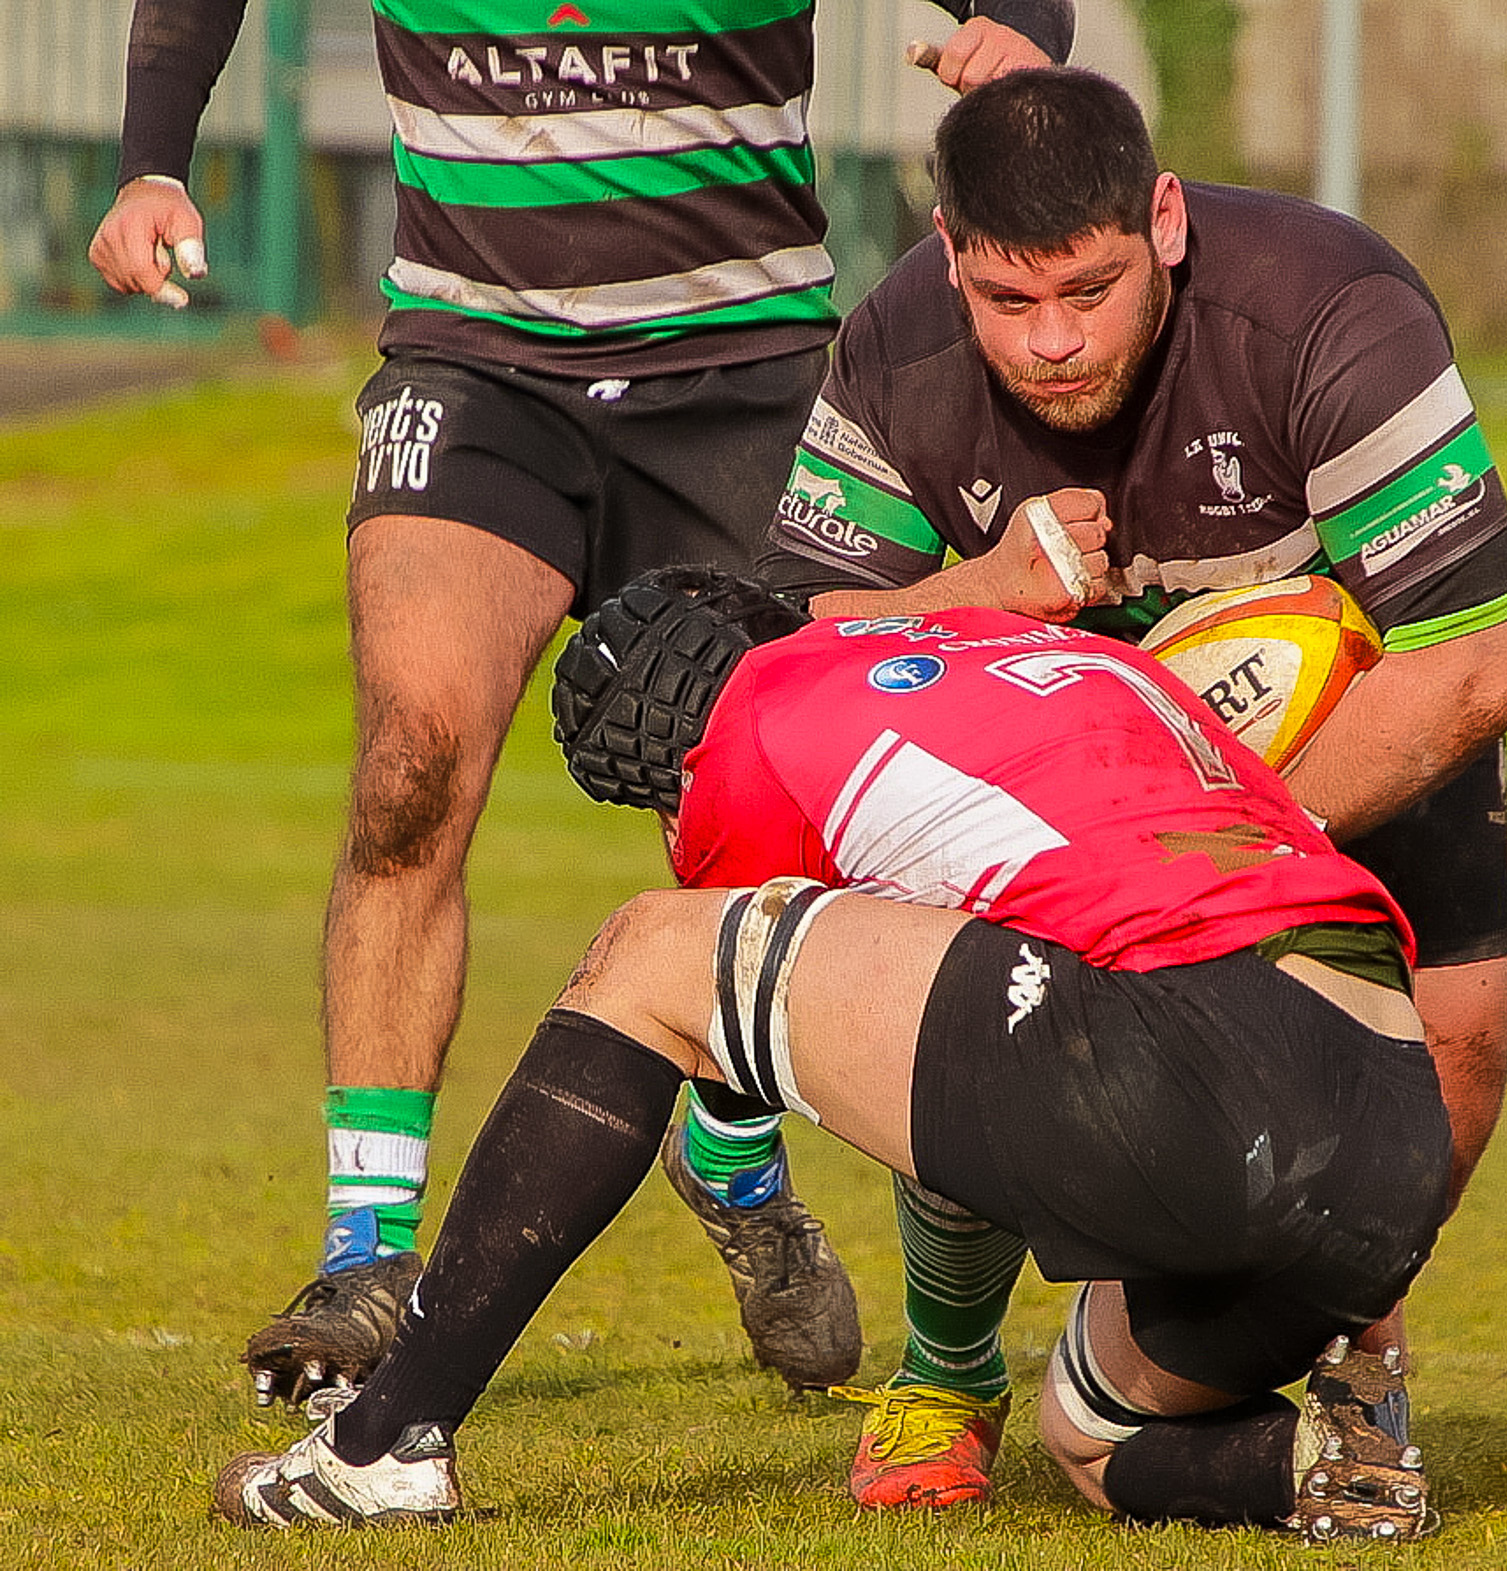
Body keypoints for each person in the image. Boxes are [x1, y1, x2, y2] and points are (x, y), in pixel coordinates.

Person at [87, 0, 1074, 1405]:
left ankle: (730, 1145)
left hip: (745, 368)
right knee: (408, 761)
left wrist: (1022, 34)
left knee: (788, 813)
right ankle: (367, 1249)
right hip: (479, 363)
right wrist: (151, 159)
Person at [214, 565, 1451, 1543]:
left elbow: (708, 1012)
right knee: (1091, 1436)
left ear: (667, 767)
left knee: (649, 954)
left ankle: (384, 1445)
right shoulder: (1050, 657)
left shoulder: (752, 727)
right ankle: (1328, 1452)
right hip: (1395, 1135)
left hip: (1195, 1061)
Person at [703, 65, 1507, 1507]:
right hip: (1043, 718)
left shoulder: (1328, 308)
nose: (1051, 342)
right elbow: (794, 658)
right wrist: (988, 588)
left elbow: (1480, 662)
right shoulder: (900, 340)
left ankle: (1336, 1344)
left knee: (1455, 1037)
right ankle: (948, 1362)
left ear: (1162, 217)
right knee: (974, 997)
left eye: (1088, 290)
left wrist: (1228, 847)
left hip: (1331, 722)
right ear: (950, 246)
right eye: (1009, 300)